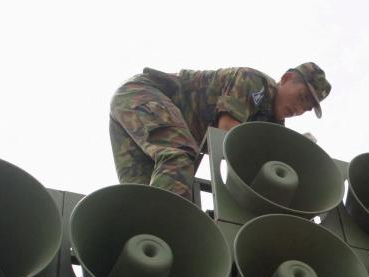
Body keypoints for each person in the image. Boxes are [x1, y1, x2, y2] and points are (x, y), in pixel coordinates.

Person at [109, 62, 331, 201]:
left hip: (157, 122)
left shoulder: (272, 126)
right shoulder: (254, 83)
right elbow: (227, 132)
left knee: (142, 197)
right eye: (302, 97)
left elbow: (259, 167)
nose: (300, 109)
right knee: (178, 160)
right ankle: (162, 232)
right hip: (142, 96)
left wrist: (291, 155)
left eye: (307, 108)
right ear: (286, 79)